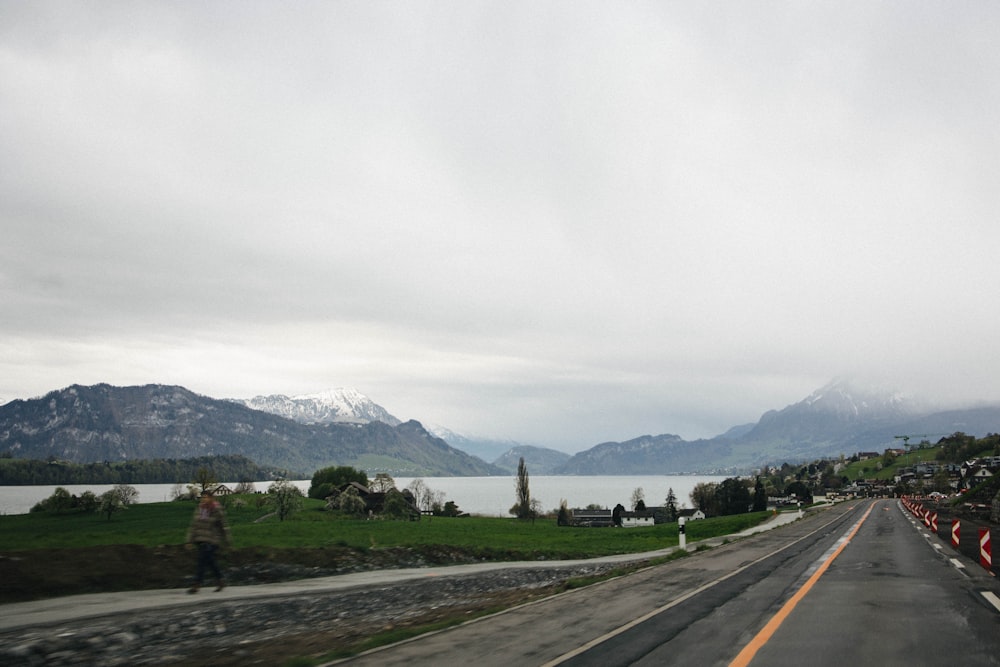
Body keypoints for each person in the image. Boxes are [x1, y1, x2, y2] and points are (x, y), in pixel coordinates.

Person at [186, 489, 230, 593]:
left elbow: (223, 526)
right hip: (201, 539)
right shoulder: (200, 509)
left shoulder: (216, 509)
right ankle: (220, 580)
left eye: (206, 497)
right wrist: (190, 540)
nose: (203, 499)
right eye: (202, 497)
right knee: (210, 562)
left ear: (211, 498)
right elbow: (194, 526)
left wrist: (227, 539)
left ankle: (196, 584)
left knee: (202, 561)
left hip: (212, 540)